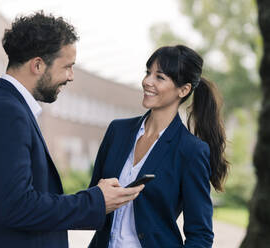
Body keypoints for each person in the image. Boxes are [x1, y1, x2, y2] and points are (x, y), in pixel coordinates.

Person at [0, 12, 144, 248]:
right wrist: (96, 200)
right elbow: (16, 207)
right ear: (38, 65)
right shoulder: (4, 112)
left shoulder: (5, 108)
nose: (71, 77)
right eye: (67, 67)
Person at [88, 45, 229, 248]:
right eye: (148, 73)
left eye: (159, 77)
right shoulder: (117, 131)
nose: (147, 81)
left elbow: (200, 234)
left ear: (184, 89)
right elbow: (92, 198)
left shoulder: (190, 150)